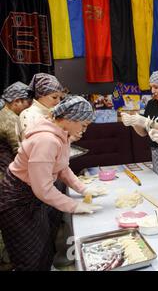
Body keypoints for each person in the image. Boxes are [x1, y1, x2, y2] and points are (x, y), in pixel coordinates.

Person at [0, 96, 106, 271]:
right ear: (71, 119)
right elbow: (43, 188)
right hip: (17, 199)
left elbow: (62, 168)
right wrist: (74, 206)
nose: (84, 130)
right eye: (84, 125)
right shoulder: (46, 140)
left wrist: (83, 188)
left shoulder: (61, 133)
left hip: (32, 194)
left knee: (43, 248)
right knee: (28, 256)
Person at [121, 71, 158, 182]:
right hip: (156, 154)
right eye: (151, 87)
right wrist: (133, 122)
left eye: (156, 87)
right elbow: (143, 132)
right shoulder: (151, 104)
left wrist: (149, 123)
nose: (152, 91)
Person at [0, 82, 33, 269]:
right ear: (16, 101)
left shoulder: (4, 114)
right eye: (25, 102)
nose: (27, 106)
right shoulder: (10, 119)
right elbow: (18, 151)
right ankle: (7, 260)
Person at [18, 73, 65, 143]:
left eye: (60, 97)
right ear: (40, 95)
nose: (58, 101)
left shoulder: (53, 112)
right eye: (54, 97)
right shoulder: (28, 116)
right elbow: (30, 146)